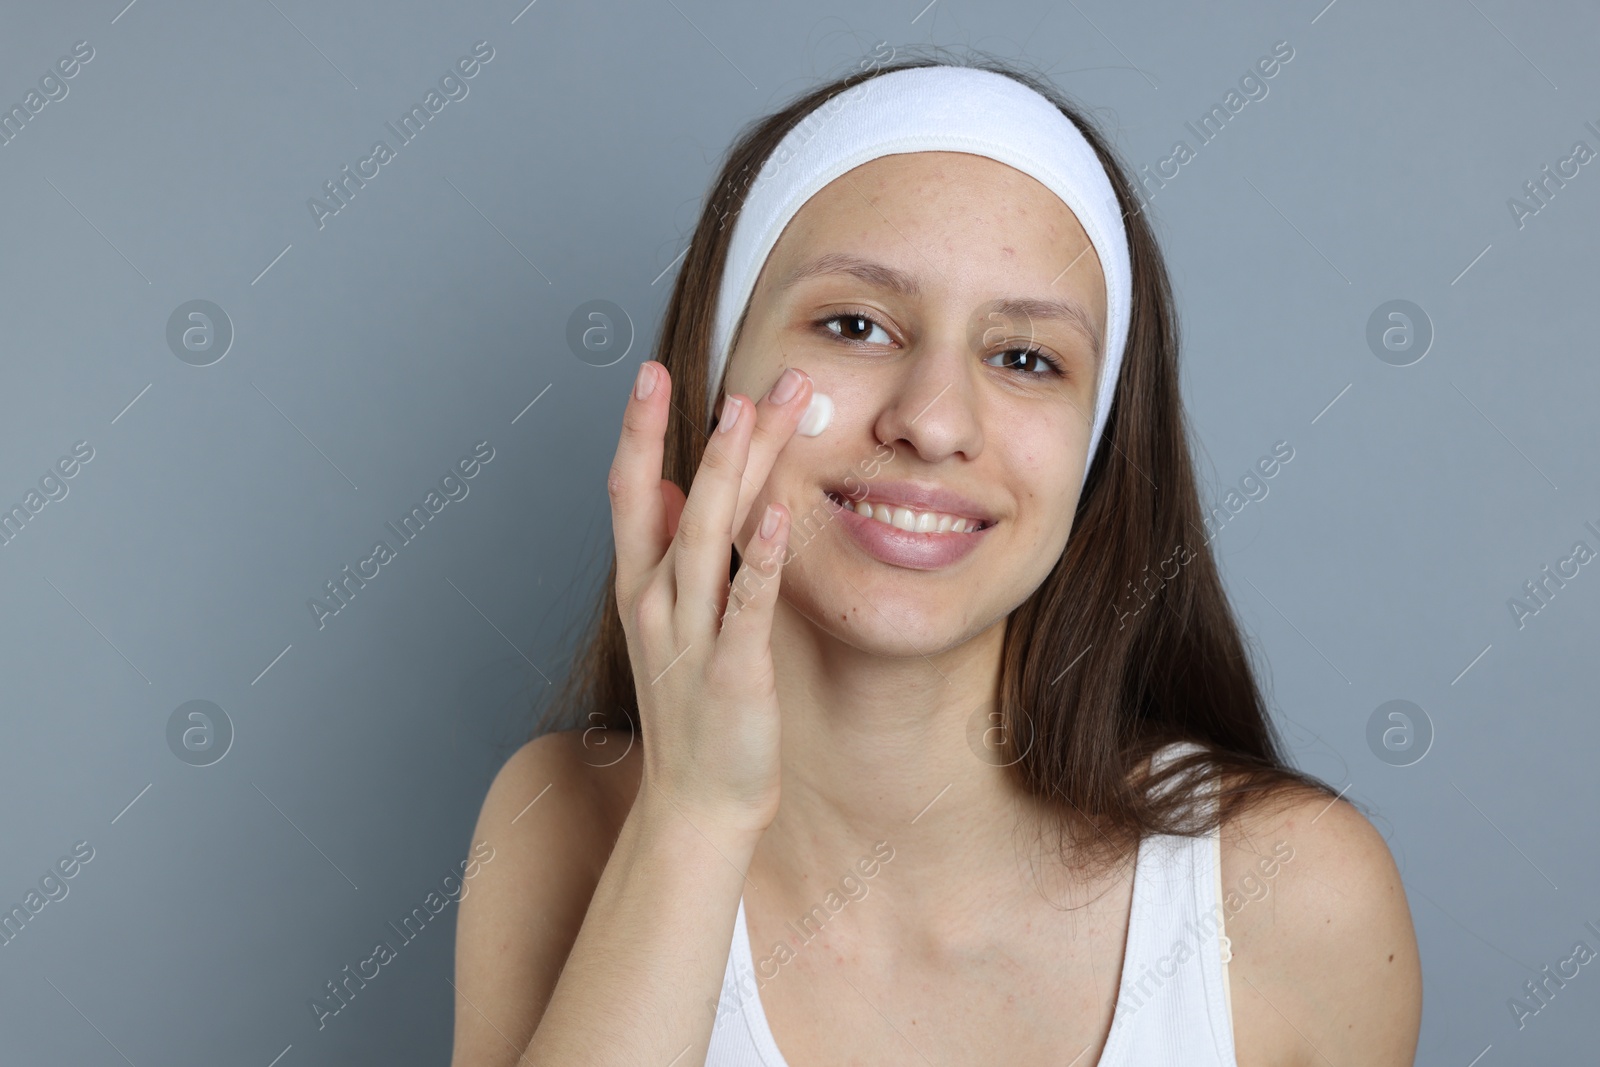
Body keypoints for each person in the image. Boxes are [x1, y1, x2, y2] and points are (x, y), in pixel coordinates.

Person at [449, 52, 1423, 1067]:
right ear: (713, 380)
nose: (932, 420)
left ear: (1093, 452)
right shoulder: (563, 815)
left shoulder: (1296, 898)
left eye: (1024, 357)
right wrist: (694, 819)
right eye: (855, 324)